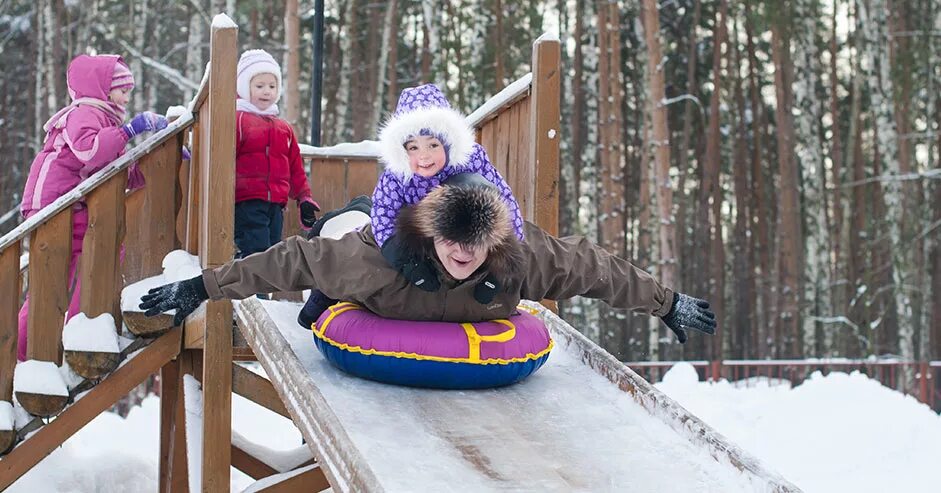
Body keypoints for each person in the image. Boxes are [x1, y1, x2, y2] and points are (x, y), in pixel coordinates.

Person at [140, 173, 716, 345]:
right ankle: (355, 224)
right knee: (337, 246)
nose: (463, 254)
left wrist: (666, 303)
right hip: (363, 249)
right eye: (451, 241)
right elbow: (288, 259)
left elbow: (592, 266)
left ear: (494, 242)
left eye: (475, 244)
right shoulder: (375, 261)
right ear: (433, 237)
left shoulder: (519, 259)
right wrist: (202, 286)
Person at [298, 83, 524, 327]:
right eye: (413, 147)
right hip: (410, 236)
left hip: (455, 236)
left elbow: (506, 208)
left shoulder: (471, 160)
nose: (423, 156)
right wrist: (408, 264)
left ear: (449, 142)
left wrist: (497, 273)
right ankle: (325, 291)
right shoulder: (398, 173)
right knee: (360, 255)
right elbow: (382, 219)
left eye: (433, 145)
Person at [15, 54, 167, 361]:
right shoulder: (84, 112)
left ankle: (79, 323)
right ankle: (21, 351)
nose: (128, 96)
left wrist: (163, 159)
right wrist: (130, 130)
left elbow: (122, 170)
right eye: (122, 89)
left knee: (106, 252)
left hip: (73, 205)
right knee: (51, 282)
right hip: (53, 204)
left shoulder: (107, 120)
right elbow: (91, 151)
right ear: (101, 88)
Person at [234, 49, 319, 260]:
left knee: (274, 253)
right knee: (256, 250)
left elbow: (295, 167)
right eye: (259, 86)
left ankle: (263, 292)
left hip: (276, 204)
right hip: (248, 200)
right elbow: (224, 159)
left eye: (272, 86)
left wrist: (304, 198)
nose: (267, 92)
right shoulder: (238, 120)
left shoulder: (283, 128)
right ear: (245, 87)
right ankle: (253, 292)